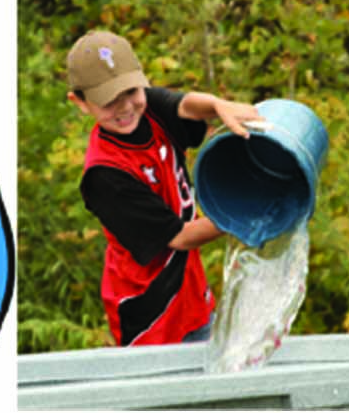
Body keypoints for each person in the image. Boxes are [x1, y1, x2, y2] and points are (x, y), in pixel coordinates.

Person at [66, 30, 263, 345]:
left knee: (211, 374)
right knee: (168, 391)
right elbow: (180, 237)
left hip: (191, 294)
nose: (125, 106)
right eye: (108, 100)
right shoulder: (105, 175)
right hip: (149, 313)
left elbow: (186, 106)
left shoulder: (148, 108)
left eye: (130, 91)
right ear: (80, 102)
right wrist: (241, 210)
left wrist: (218, 105)